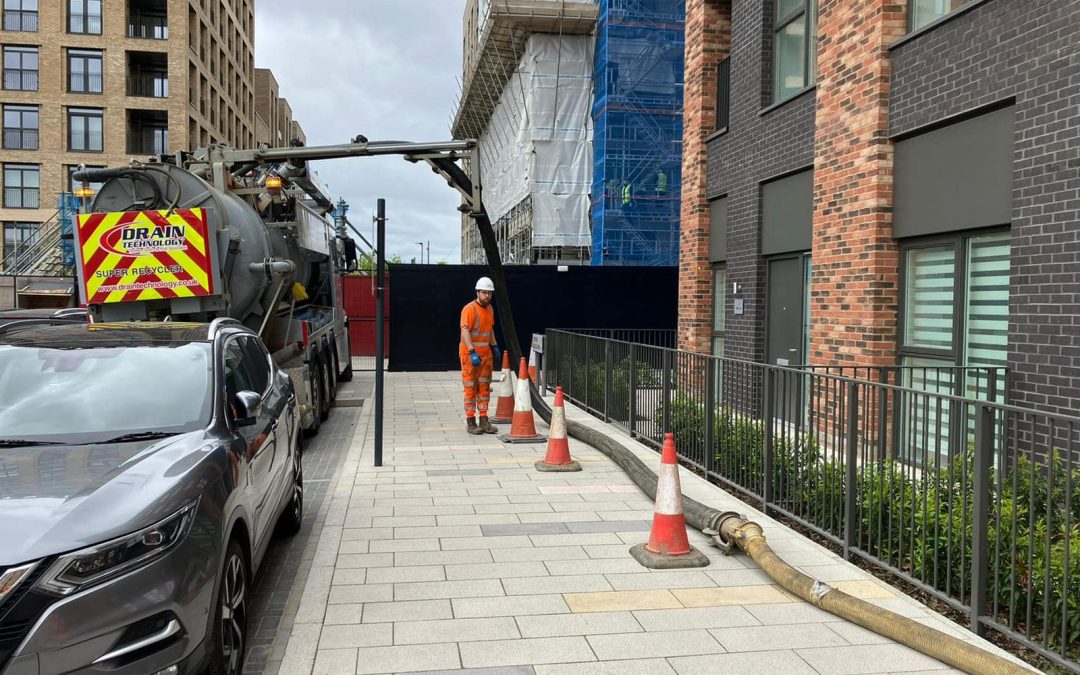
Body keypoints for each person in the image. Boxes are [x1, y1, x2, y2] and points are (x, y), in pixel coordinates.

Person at [459, 276, 502, 435]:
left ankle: (484, 420)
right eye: (484, 293)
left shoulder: (490, 309)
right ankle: (471, 421)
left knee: (484, 387)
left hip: (485, 355)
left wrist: (495, 345)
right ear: (478, 292)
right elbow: (465, 331)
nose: (487, 296)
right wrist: (471, 351)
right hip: (471, 355)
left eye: (490, 293)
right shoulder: (469, 309)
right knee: (471, 388)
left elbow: (490, 329)